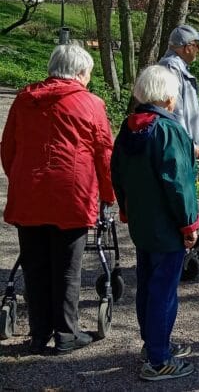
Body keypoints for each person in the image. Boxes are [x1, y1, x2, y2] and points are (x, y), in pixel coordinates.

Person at [1, 44, 115, 355]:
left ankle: (39, 334)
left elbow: (8, 146)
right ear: (80, 73)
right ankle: (66, 333)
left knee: (34, 265)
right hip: (71, 194)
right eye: (88, 73)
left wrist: (20, 178)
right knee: (67, 268)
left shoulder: (24, 100)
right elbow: (104, 154)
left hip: (29, 192)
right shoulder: (91, 104)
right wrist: (109, 194)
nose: (89, 79)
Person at [111, 65, 199, 381]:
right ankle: (159, 360)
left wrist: (125, 208)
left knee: (148, 285)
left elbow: (116, 172)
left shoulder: (129, 128)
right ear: (167, 98)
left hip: (142, 223)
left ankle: (153, 344)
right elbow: (179, 183)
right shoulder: (168, 130)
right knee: (164, 291)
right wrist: (189, 225)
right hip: (167, 226)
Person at [158, 24, 199, 159]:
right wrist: (189, 144)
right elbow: (174, 111)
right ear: (187, 47)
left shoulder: (179, 67)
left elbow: (190, 110)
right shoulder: (170, 67)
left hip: (185, 146)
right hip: (179, 149)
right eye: (198, 46)